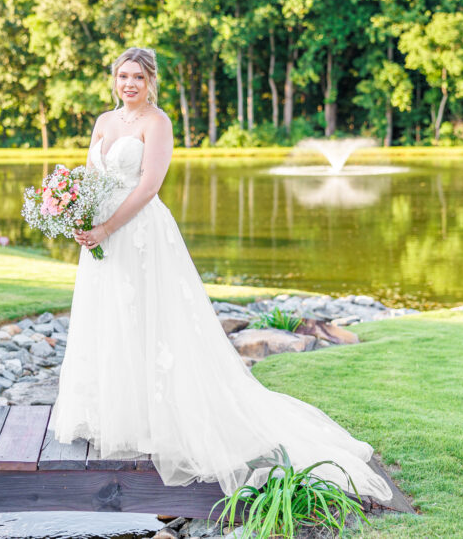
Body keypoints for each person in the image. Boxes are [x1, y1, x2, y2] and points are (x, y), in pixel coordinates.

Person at [48, 46, 393, 502]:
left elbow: (150, 186)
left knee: (151, 321)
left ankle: (159, 418)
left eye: (137, 77)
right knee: (109, 319)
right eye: (122, 76)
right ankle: (115, 413)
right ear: (114, 79)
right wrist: (78, 215)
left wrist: (109, 225)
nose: (128, 84)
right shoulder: (104, 123)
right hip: (100, 239)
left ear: (151, 81)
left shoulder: (158, 122)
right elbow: (90, 180)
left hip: (139, 235)